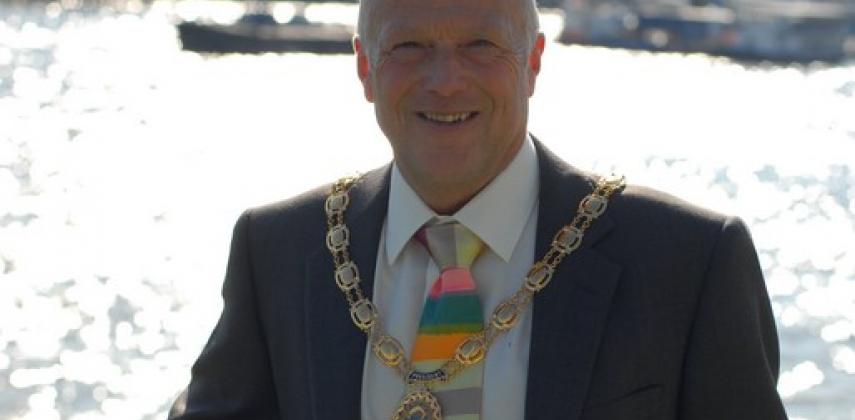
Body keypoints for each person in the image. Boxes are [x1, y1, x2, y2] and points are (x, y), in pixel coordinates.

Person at [168, 0, 789, 418]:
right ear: (364, 68)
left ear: (533, 63)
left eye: (480, 45)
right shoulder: (278, 248)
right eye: (409, 46)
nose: (445, 79)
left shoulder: (688, 260)